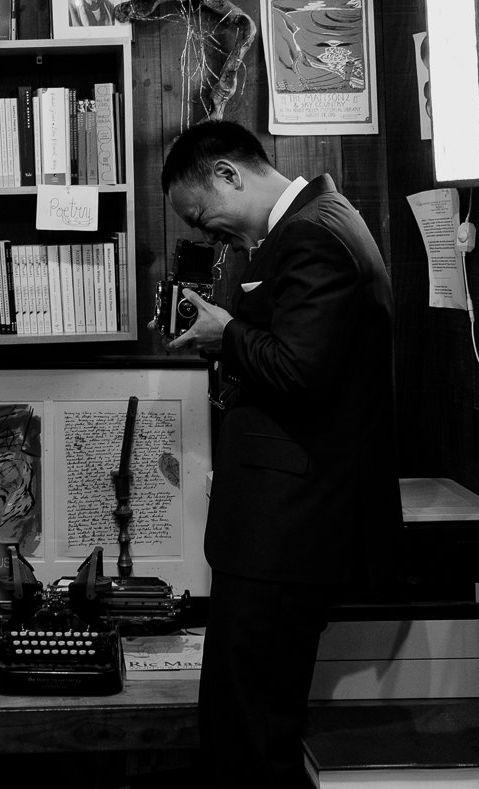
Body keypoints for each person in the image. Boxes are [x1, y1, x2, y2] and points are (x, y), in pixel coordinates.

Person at [160, 120, 401, 789]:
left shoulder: (313, 234)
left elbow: (300, 371)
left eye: (202, 218)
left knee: (252, 735)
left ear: (229, 175)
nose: (211, 237)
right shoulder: (310, 225)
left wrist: (227, 334)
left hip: (287, 532)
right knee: (241, 723)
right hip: (279, 529)